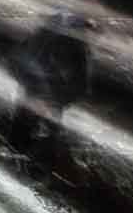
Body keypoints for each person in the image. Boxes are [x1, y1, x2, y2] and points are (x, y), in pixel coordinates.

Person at [8, 12, 92, 166]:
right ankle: (23, 164)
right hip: (40, 98)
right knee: (27, 136)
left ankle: (25, 164)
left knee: (27, 137)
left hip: (40, 97)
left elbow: (15, 62)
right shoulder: (71, 47)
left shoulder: (47, 39)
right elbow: (81, 84)